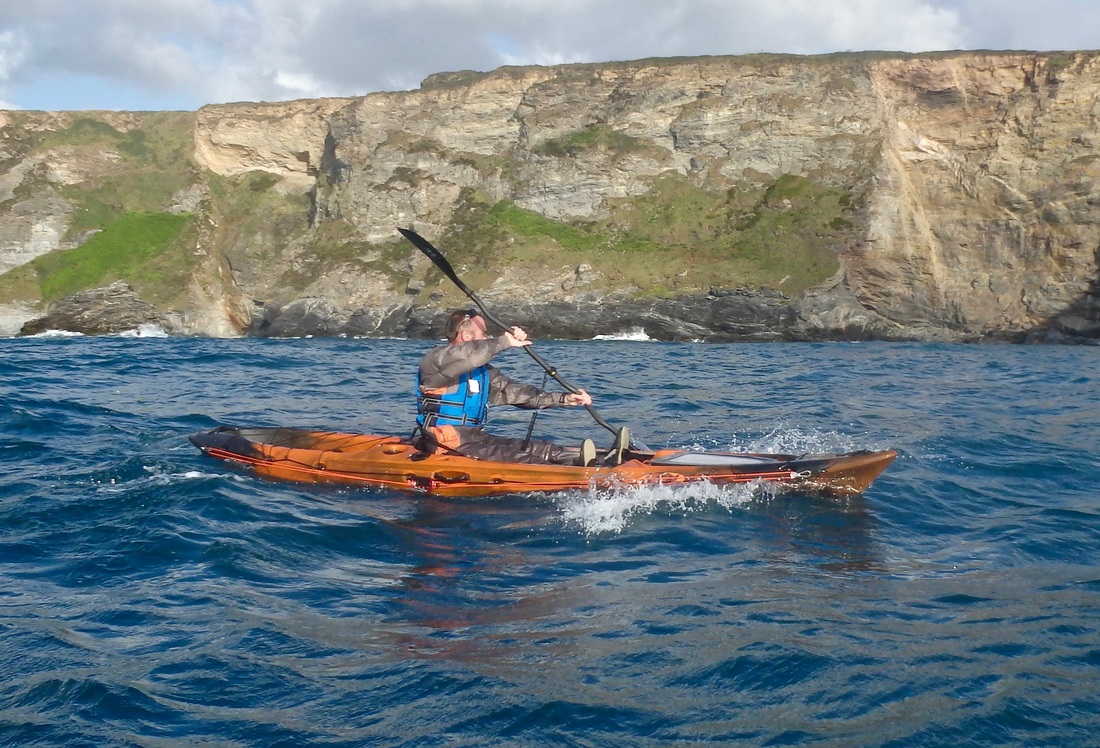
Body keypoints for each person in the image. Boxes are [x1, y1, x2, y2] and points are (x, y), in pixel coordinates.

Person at [416, 309, 621, 466]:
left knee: (540, 449)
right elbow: (470, 355)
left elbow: (517, 394)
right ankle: (582, 478)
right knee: (521, 459)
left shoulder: (483, 372)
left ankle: (601, 461)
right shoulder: (435, 360)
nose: (488, 338)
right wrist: (505, 341)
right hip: (445, 442)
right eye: (484, 333)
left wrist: (565, 399)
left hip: (475, 437)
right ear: (467, 336)